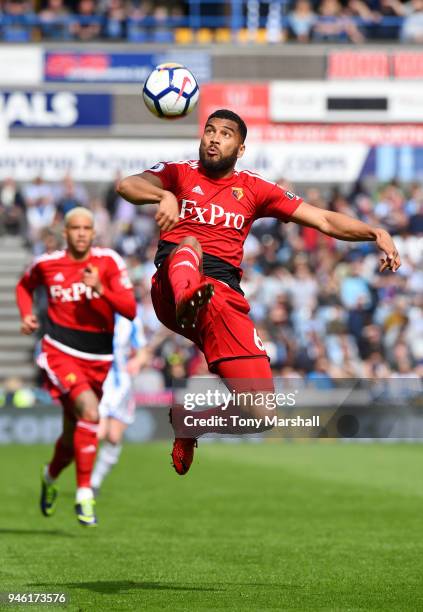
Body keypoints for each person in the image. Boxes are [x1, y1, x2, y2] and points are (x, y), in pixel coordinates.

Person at [116, 108, 401, 476]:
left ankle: (191, 424)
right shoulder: (178, 173)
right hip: (172, 285)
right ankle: (189, 296)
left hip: (222, 299)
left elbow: (324, 219)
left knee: (261, 413)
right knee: (189, 243)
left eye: (226, 134)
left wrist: (374, 232)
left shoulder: (253, 188)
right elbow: (127, 185)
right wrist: (163, 197)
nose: (215, 138)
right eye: (210, 131)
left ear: (241, 147)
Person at [16, 207, 137, 525]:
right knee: (90, 412)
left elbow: (130, 309)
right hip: (59, 351)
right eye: (75, 228)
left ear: (94, 232)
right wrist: (27, 315)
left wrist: (101, 289)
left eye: (87, 227)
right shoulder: (47, 264)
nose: (82, 233)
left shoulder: (109, 262)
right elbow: (23, 286)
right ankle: (85, 496)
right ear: (65, 233)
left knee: (72, 439)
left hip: (98, 359)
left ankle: (50, 477)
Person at [91, 310, 149, 495]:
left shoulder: (131, 318)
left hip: (122, 384)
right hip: (98, 379)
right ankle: (84, 482)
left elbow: (142, 352)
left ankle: (95, 481)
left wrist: (137, 362)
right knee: (97, 433)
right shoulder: (94, 311)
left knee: (114, 437)